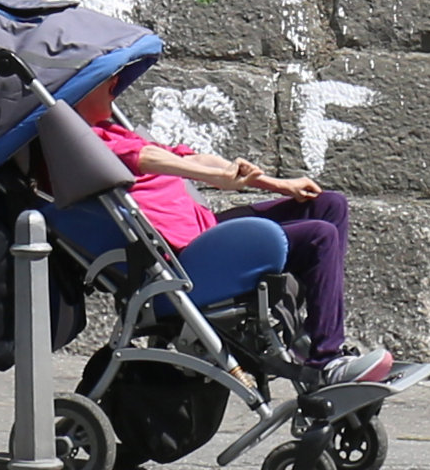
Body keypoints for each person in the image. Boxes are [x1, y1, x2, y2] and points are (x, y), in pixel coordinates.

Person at [74, 74, 390, 384]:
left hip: (207, 234)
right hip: (185, 262)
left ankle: (312, 333)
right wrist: (210, 174)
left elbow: (191, 159)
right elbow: (147, 158)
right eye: (106, 81)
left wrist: (278, 184)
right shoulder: (87, 145)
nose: (116, 86)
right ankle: (327, 362)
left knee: (329, 204)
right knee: (320, 237)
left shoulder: (112, 131)